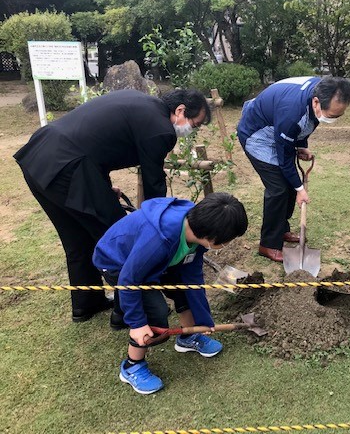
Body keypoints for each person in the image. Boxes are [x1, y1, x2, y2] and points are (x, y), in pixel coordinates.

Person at [14, 88, 211, 323]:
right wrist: (156, 224)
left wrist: (103, 188)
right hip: (70, 168)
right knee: (119, 237)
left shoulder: (141, 103)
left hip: (39, 157)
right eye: (195, 124)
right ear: (180, 110)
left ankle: (86, 304)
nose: (192, 130)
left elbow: (96, 147)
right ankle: (126, 312)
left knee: (76, 239)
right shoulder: (161, 129)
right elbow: (153, 183)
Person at [93, 192, 248, 395]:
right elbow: (128, 280)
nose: (228, 244)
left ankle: (188, 337)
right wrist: (138, 325)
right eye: (227, 240)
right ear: (212, 237)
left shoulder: (196, 230)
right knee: (155, 313)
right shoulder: (159, 238)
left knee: (185, 290)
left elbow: (192, 278)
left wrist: (203, 319)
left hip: (161, 261)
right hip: (119, 264)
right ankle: (132, 366)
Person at [237, 76, 350, 262]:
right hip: (257, 136)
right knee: (279, 189)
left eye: (338, 116)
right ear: (316, 102)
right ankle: (268, 244)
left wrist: (300, 145)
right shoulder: (291, 112)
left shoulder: (322, 89)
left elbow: (307, 122)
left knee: (290, 183)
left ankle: (281, 230)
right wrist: (300, 190)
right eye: (331, 116)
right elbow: (284, 159)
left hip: (278, 129)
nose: (332, 120)